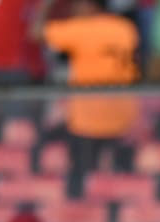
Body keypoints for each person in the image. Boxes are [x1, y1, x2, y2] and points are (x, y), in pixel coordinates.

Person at [34, 0, 140, 195]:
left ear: (91, 6)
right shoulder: (125, 27)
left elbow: (36, 33)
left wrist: (45, 5)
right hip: (123, 117)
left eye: (78, 5)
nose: (74, 9)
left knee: (84, 184)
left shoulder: (83, 28)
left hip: (89, 120)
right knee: (122, 184)